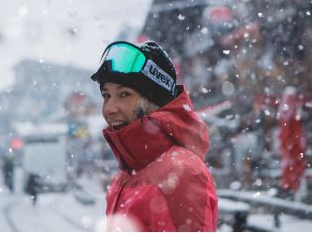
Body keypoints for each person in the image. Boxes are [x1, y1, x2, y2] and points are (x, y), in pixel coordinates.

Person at [91, 40, 218, 231]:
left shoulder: (182, 174)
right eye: (106, 95)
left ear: (151, 102)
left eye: (124, 94)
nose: (109, 109)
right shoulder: (127, 173)